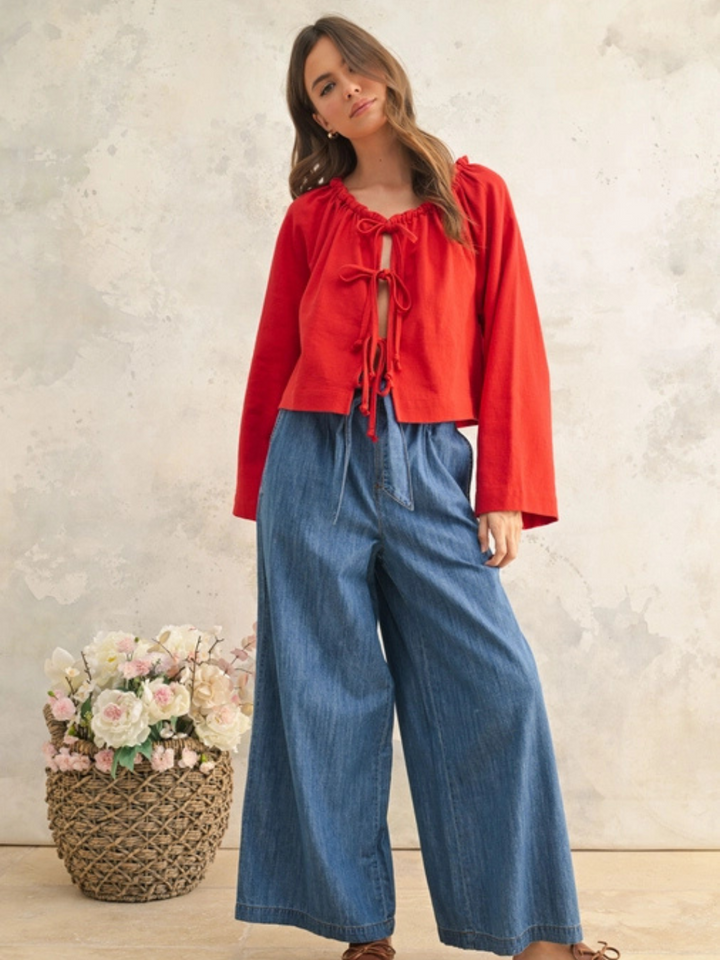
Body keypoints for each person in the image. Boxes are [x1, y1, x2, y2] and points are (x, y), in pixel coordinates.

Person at [232, 15, 620, 960]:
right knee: (327, 698)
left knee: (498, 687)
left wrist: (505, 487)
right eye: (323, 86)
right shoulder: (312, 219)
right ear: (315, 117)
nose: (346, 88)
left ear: (385, 73)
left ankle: (533, 933)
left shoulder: (474, 195)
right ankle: (357, 929)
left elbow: (514, 342)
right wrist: (260, 493)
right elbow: (274, 356)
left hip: (431, 466)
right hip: (311, 465)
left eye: (352, 68)